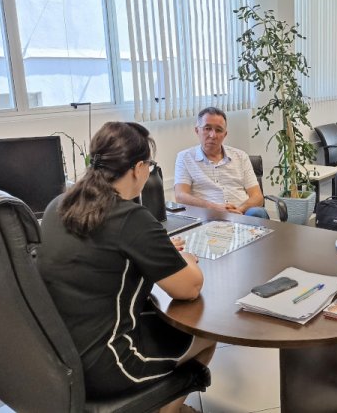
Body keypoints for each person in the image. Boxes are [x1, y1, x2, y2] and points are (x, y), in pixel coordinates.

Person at [38, 122, 215, 413]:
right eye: (149, 165)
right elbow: (189, 287)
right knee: (207, 337)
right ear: (138, 167)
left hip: (59, 354)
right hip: (111, 363)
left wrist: (157, 250)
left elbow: (105, 256)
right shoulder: (130, 217)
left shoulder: (59, 205)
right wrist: (182, 258)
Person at [174, 106, 269, 218]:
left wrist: (238, 210)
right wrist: (215, 208)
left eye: (219, 130)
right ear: (197, 130)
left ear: (225, 134)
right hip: (208, 216)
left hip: (243, 214)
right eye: (207, 128)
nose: (213, 135)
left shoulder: (240, 156)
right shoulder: (185, 157)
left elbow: (257, 196)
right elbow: (180, 195)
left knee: (259, 213)